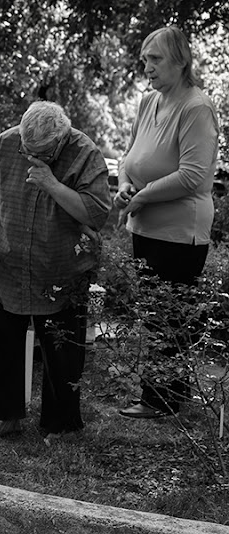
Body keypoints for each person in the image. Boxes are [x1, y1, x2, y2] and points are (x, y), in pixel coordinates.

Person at [0, 101, 111, 441]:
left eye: (43, 154)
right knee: (4, 341)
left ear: (62, 138)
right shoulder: (4, 143)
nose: (33, 159)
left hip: (60, 269)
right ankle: (5, 416)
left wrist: (52, 183)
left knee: (62, 352)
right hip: (11, 263)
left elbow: (96, 215)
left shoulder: (85, 154)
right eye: (27, 151)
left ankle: (61, 425)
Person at [114, 26, 219, 419]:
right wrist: (125, 185)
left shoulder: (196, 107)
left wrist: (139, 196)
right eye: (145, 60)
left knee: (170, 318)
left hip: (180, 231)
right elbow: (128, 158)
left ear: (181, 61)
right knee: (154, 315)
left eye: (155, 59)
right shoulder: (147, 102)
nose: (148, 67)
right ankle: (162, 397)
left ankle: (161, 401)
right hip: (145, 226)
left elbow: (193, 176)